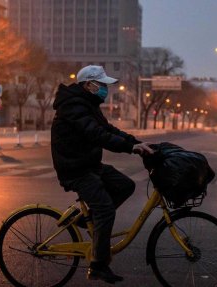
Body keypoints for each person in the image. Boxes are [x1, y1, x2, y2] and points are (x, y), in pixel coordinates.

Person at [51, 65, 153, 284]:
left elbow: (109, 130)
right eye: (103, 85)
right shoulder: (73, 106)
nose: (106, 89)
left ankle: (83, 220)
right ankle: (98, 265)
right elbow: (97, 134)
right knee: (105, 209)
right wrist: (129, 148)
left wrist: (137, 143)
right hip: (75, 169)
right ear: (89, 85)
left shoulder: (88, 105)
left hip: (89, 165)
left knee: (126, 185)